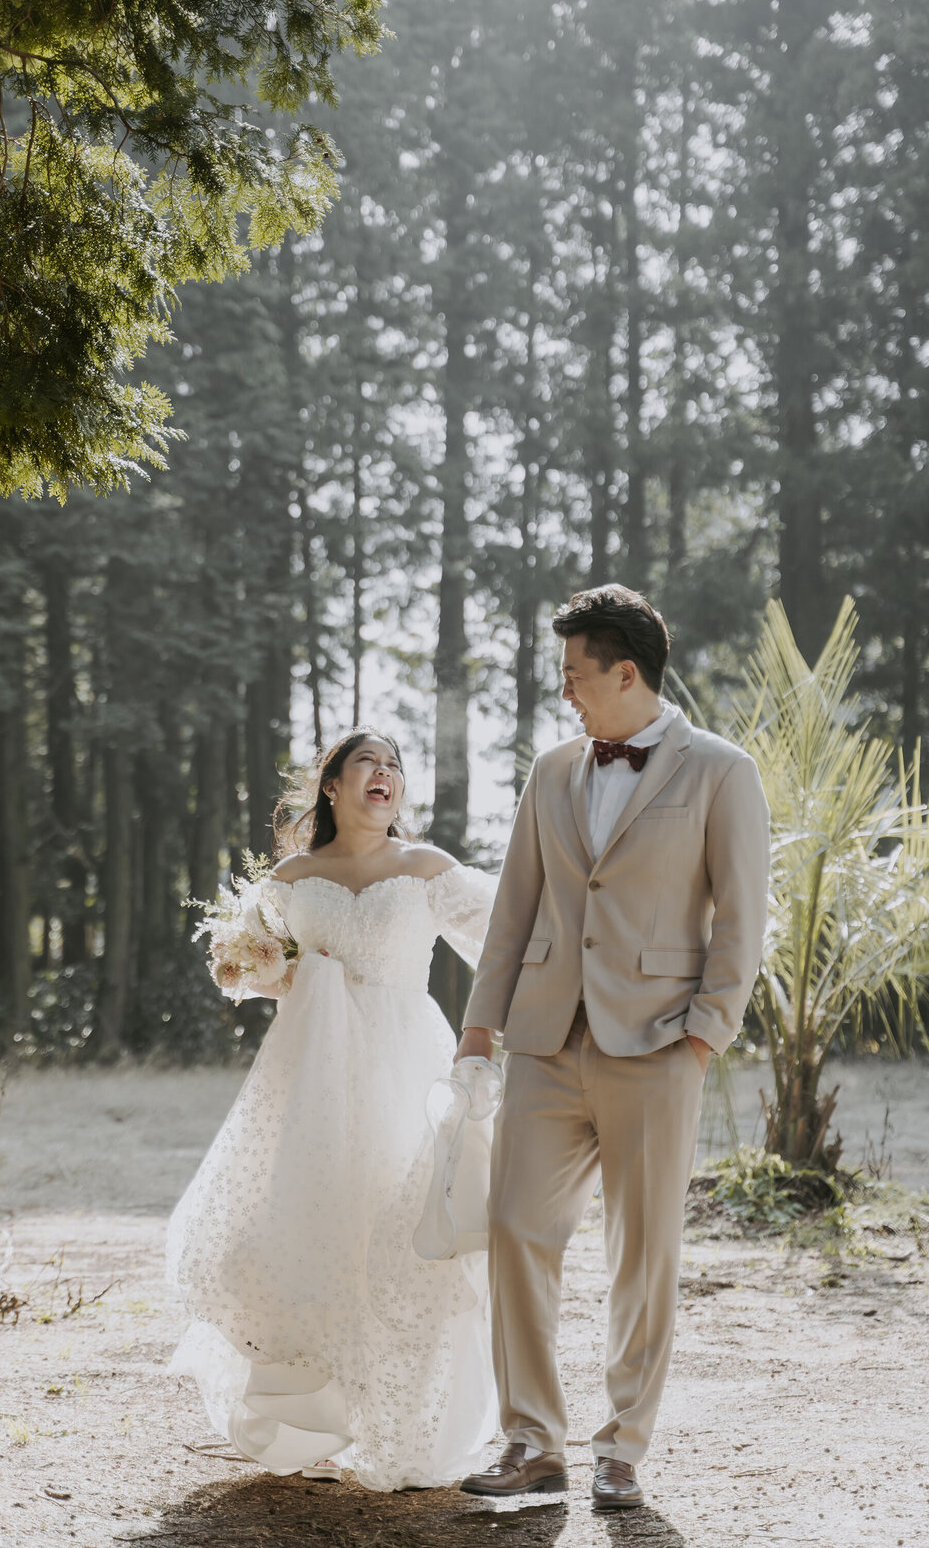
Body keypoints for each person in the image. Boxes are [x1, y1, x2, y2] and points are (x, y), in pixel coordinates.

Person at [457, 585, 770, 1512]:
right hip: (546, 1039)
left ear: (624, 671)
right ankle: (533, 1440)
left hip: (661, 1045)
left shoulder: (722, 770)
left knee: (644, 1253)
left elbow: (742, 919)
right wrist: (481, 1025)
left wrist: (705, 1035)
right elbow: (514, 909)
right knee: (514, 1226)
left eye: (575, 675)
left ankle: (622, 1447)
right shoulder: (552, 771)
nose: (566, 693)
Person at [167, 728, 501, 1491]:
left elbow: (509, 941)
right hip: (310, 1076)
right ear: (332, 785)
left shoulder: (428, 870)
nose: (384, 774)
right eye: (367, 763)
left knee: (403, 1235)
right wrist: (259, 971)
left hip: (405, 1062)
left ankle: (405, 1423)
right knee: (308, 1232)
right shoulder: (289, 879)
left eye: (394, 765)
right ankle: (321, 1414)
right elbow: (250, 966)